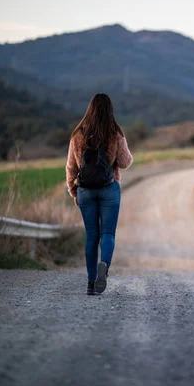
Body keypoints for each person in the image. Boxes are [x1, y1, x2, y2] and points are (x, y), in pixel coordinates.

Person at [66, 93, 133, 295]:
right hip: (108, 188)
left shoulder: (78, 134)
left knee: (91, 237)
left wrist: (74, 192)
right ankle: (104, 263)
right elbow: (125, 162)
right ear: (110, 110)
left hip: (85, 191)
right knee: (107, 234)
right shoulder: (115, 133)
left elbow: (71, 168)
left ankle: (90, 283)